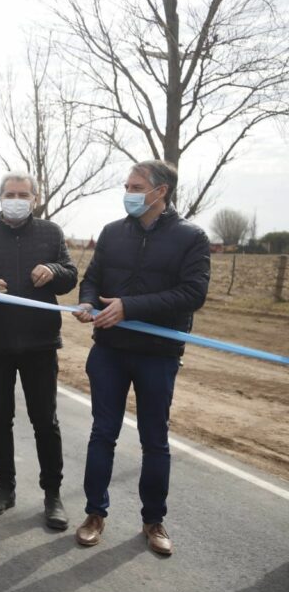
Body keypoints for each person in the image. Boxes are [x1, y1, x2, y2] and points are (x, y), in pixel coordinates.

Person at [73, 160, 210, 556]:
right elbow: (93, 278)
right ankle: (94, 514)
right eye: (127, 185)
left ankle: (153, 521)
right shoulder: (112, 232)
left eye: (136, 186)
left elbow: (192, 294)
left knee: (155, 440)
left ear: (160, 191)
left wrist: (130, 307)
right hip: (109, 351)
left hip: (158, 356)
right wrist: (86, 301)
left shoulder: (191, 237)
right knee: (103, 434)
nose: (129, 192)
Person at [0, 172, 77, 530]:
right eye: (9, 194)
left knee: (45, 420)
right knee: (0, 418)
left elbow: (71, 275)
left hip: (39, 343)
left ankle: (52, 495)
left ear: (35, 198)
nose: (15, 199)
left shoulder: (51, 233)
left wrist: (54, 269)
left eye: (22, 194)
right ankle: (4, 488)